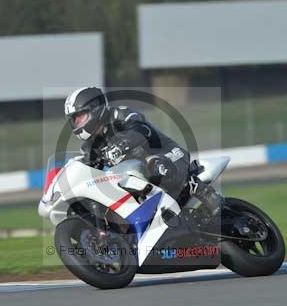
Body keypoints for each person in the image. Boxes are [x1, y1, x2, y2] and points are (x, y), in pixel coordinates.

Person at [64, 86, 221, 218]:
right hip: (139, 180)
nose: (77, 122)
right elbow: (88, 170)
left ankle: (205, 193)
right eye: (74, 119)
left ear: (95, 108)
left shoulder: (120, 115)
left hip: (169, 155)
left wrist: (122, 144)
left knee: (156, 166)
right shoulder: (88, 147)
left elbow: (142, 130)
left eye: (80, 116)